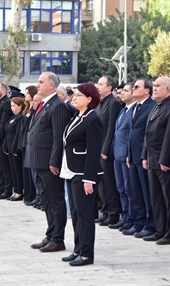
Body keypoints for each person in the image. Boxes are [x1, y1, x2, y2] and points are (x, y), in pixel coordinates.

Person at [26, 72, 72, 253]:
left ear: (51, 85)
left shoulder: (58, 106)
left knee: (56, 200)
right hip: (38, 160)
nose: (37, 84)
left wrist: (55, 161)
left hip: (48, 162)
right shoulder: (45, 104)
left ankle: (58, 238)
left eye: (41, 82)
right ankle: (51, 233)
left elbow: (58, 136)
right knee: (45, 199)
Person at [60, 82, 103, 267]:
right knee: (76, 214)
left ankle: (86, 254)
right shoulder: (78, 116)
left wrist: (89, 178)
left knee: (85, 215)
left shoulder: (93, 119)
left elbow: (94, 151)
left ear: (89, 99)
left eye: (78, 95)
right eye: (74, 95)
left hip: (83, 173)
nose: (74, 98)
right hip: (71, 170)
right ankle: (78, 249)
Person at [142, 77, 170, 245]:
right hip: (152, 158)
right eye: (154, 86)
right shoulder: (156, 106)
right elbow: (148, 132)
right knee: (156, 197)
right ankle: (160, 229)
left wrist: (164, 159)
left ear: (167, 89)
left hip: (164, 160)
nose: (155, 88)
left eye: (158, 86)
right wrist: (144, 155)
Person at [123, 79, 156, 238]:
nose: (133, 89)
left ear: (147, 91)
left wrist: (144, 155)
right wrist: (128, 153)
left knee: (146, 192)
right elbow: (131, 132)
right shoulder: (134, 107)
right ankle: (138, 221)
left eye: (137, 87)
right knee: (134, 191)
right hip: (132, 155)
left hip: (144, 156)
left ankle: (150, 224)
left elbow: (147, 134)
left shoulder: (151, 106)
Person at [95, 75, 123, 226]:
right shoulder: (100, 103)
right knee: (101, 183)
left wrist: (105, 150)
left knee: (109, 183)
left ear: (109, 88)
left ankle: (113, 213)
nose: (97, 86)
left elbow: (111, 128)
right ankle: (105, 211)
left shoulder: (113, 103)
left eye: (100, 84)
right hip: (97, 148)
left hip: (106, 150)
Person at [111, 82, 136, 230]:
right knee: (121, 188)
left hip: (126, 155)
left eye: (126, 91)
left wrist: (128, 153)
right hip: (117, 155)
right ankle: (125, 215)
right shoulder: (123, 110)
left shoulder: (134, 110)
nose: (122, 93)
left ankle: (131, 217)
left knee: (129, 189)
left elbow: (131, 135)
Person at [4, 94, 25, 201]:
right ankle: (15, 190)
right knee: (13, 170)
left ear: (20, 106)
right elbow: (7, 132)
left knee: (17, 171)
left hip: (15, 148)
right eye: (11, 106)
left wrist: (15, 148)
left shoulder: (21, 117)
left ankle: (19, 191)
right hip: (9, 147)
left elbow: (18, 134)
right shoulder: (13, 117)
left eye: (14, 106)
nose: (12, 108)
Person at [22, 86, 38, 205]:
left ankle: (36, 196)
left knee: (34, 172)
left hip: (32, 144)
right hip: (25, 142)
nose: (25, 95)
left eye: (27, 93)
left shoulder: (35, 109)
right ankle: (31, 195)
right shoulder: (27, 108)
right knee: (28, 172)